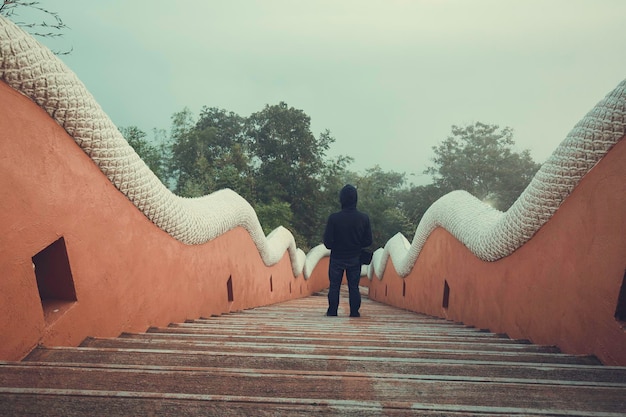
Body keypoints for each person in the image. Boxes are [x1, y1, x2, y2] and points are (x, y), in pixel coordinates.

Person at [323, 184, 373, 317]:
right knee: (353, 287)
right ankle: (354, 312)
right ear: (356, 199)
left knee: (334, 286)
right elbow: (368, 241)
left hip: (337, 258)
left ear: (341, 199)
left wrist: (338, 245)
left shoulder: (334, 218)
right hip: (355, 258)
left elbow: (327, 243)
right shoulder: (363, 218)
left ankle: (332, 311)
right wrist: (356, 244)